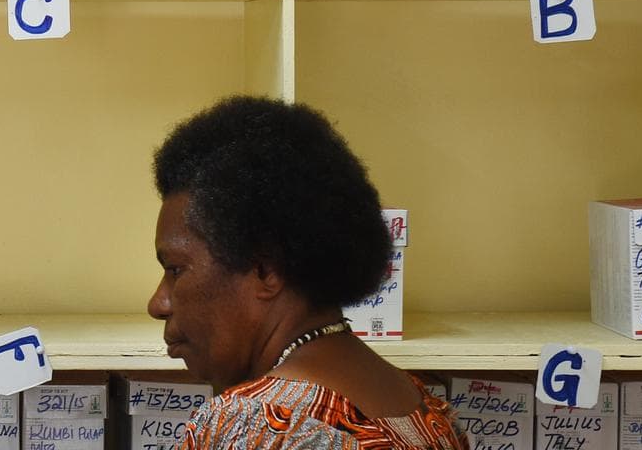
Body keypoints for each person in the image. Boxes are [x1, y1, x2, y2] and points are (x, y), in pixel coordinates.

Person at [148, 96, 466, 450]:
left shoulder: (259, 427)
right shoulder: (421, 404)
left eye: (176, 269)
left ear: (265, 270)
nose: (158, 303)